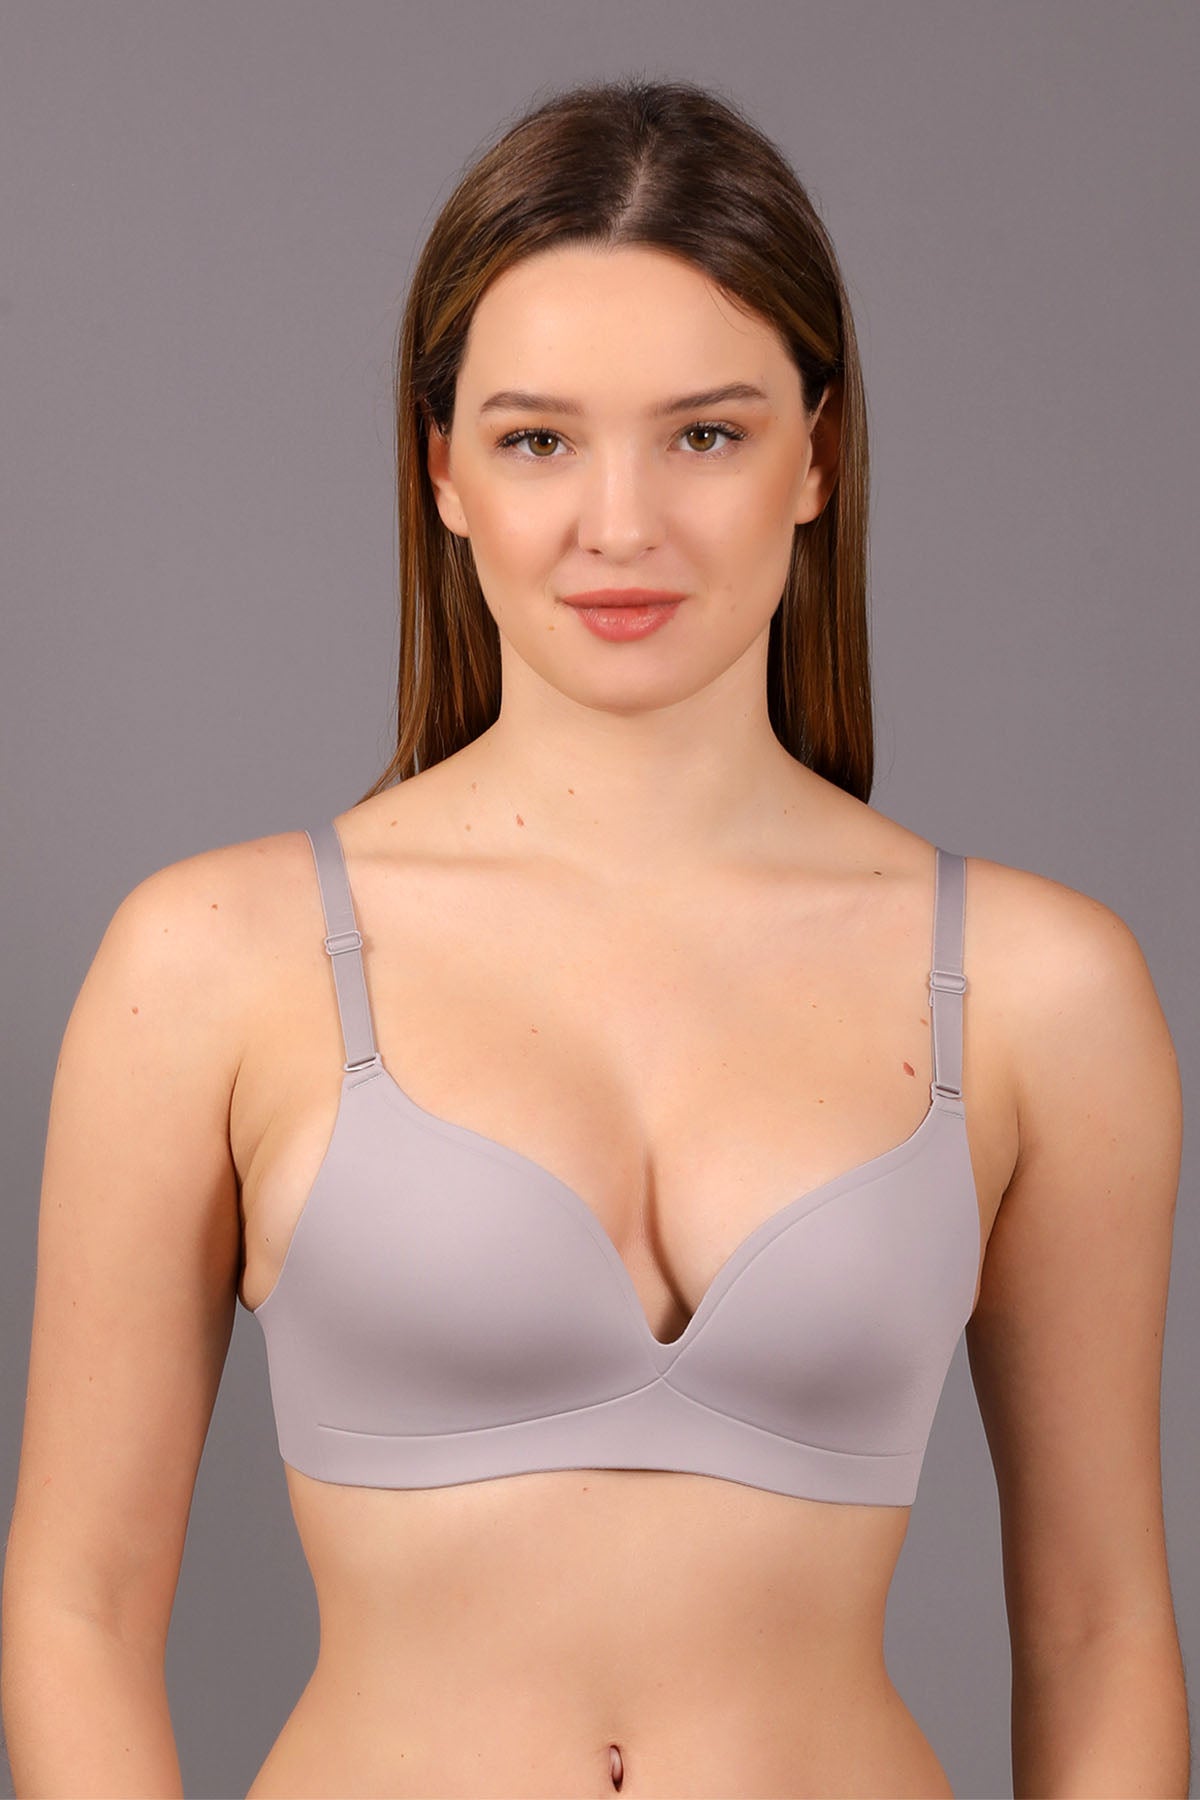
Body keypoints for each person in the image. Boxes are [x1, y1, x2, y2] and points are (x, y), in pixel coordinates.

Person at [2, 74, 1188, 1800]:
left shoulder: (1039, 991)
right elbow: (78, 1604)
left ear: (817, 456)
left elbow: (1097, 1623)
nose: (619, 525)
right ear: (443, 471)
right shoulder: (213, 963)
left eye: (704, 435)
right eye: (537, 439)